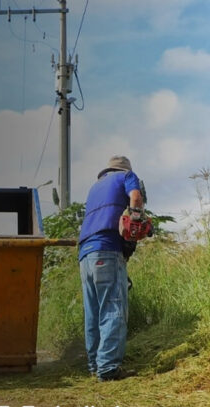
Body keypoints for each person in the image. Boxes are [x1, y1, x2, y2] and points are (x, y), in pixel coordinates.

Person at [78, 156, 144, 382]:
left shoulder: (95, 187)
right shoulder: (127, 176)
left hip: (85, 253)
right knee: (113, 307)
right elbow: (136, 196)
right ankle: (108, 368)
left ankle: (94, 365)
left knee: (93, 311)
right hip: (107, 249)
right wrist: (136, 218)